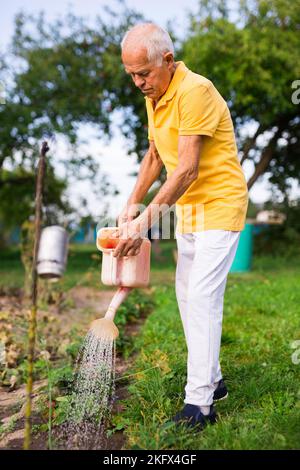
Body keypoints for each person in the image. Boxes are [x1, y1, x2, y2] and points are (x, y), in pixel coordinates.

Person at [113, 23, 248, 430]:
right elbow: (155, 154)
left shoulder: (195, 91)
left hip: (219, 204)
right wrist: (131, 203)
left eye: (144, 73)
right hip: (187, 211)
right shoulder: (155, 94)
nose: (138, 83)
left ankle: (200, 405)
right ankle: (214, 380)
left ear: (167, 61)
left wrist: (143, 224)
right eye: (131, 75)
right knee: (188, 296)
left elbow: (186, 167)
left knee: (203, 296)